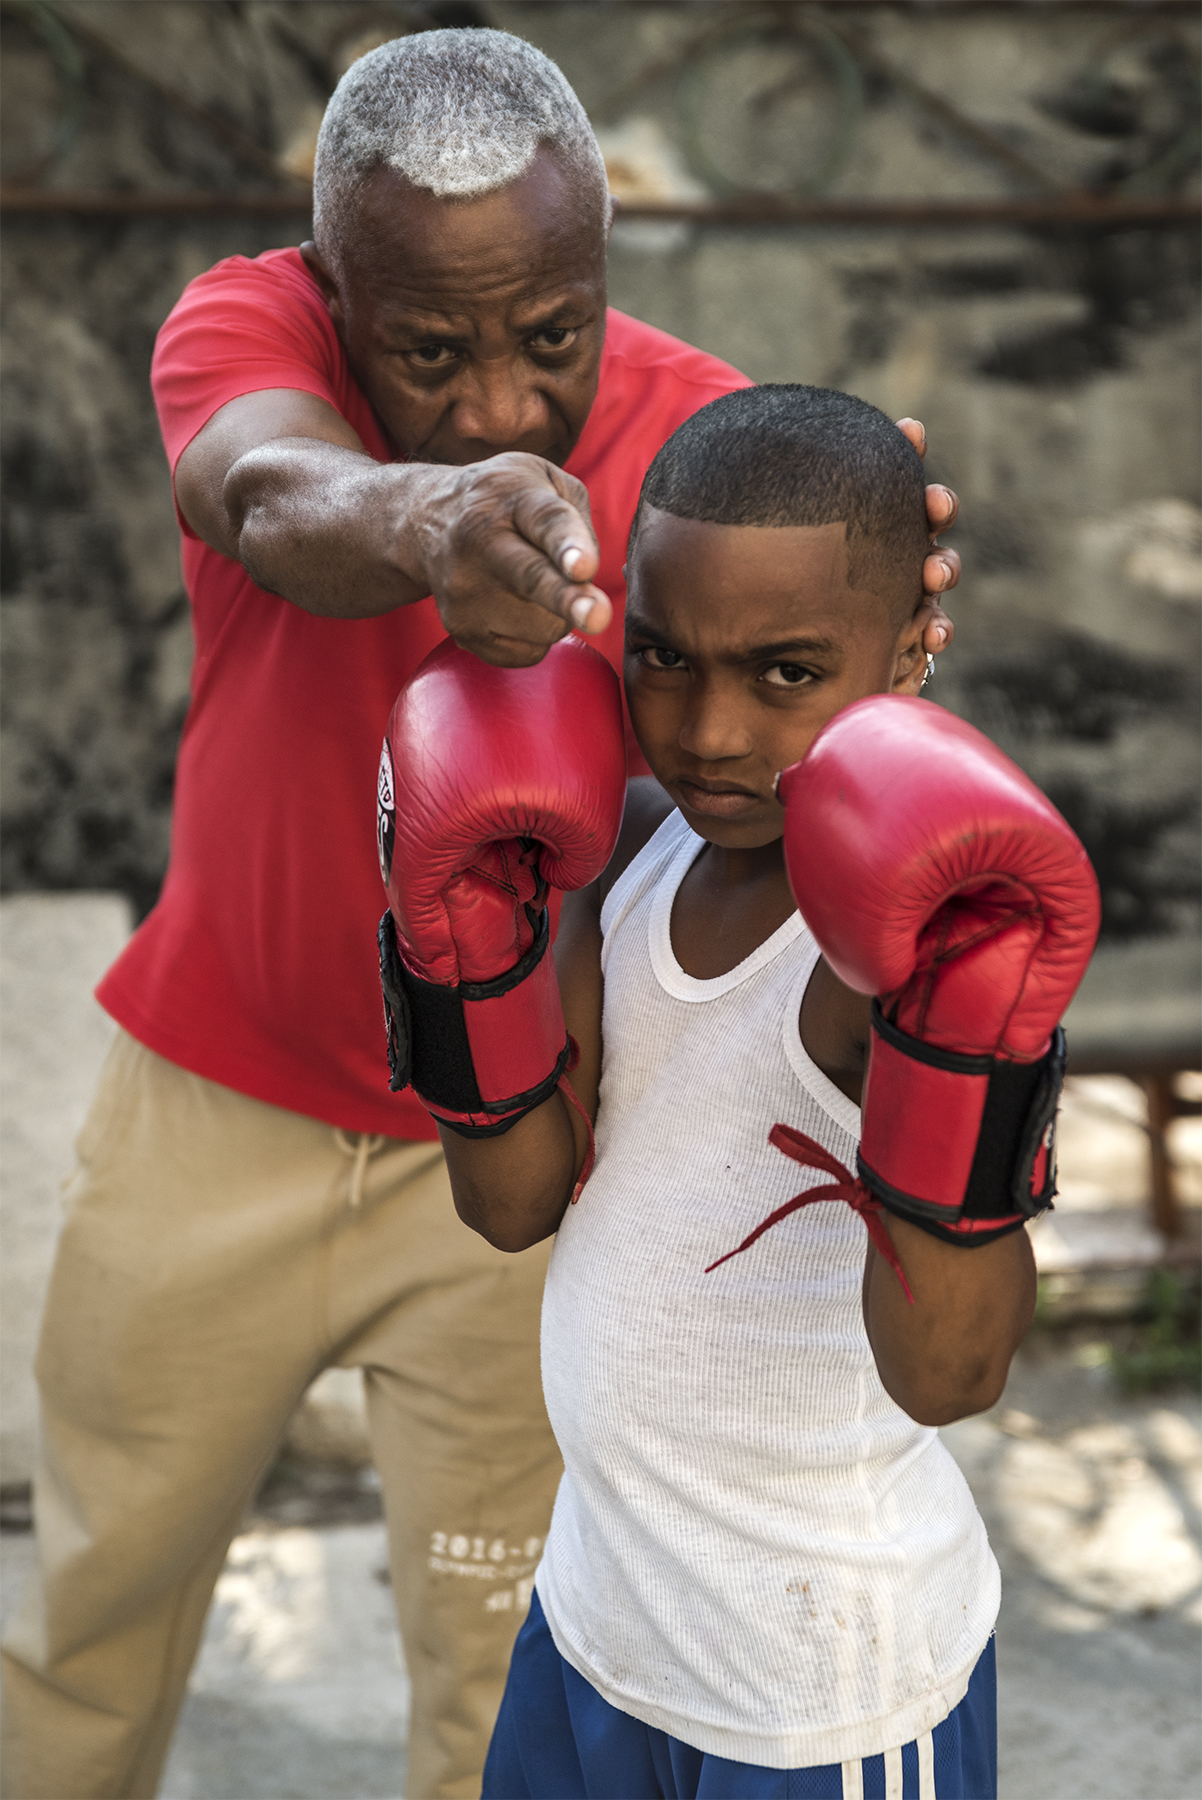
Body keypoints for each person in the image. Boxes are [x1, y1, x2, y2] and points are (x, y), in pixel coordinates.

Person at [0, 32, 959, 1800]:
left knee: (498, 1662)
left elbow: (779, 767)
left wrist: (876, 621)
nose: (502, 404)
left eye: (551, 337)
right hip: (212, 1109)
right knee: (83, 1632)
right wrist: (435, 517)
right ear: (331, 290)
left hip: (530, 1158)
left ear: (601, 275)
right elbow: (263, 491)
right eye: (429, 353)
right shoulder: (246, 325)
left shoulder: (700, 437)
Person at [383, 385, 1098, 1800]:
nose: (707, 730)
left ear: (910, 648)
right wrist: (460, 952)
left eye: (783, 673)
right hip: (600, 1616)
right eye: (662, 657)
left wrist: (957, 1036)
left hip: (815, 1694)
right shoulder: (631, 852)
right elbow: (513, 1203)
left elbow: (950, 1377)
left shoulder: (888, 951)